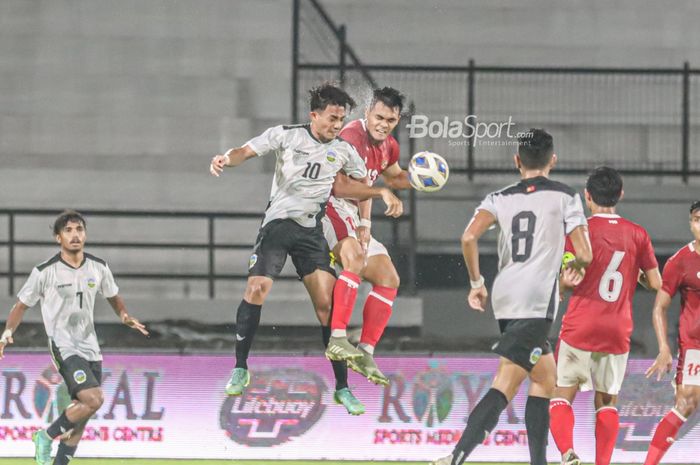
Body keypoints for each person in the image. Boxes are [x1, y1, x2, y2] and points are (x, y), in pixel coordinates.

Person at [208, 83, 403, 406]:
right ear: (314, 115)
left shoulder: (343, 151)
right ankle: (240, 368)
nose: (337, 126)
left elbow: (361, 185)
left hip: (310, 230)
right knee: (257, 288)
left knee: (326, 308)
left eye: (341, 119)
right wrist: (224, 159)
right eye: (331, 118)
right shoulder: (287, 135)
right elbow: (244, 150)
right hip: (278, 225)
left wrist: (371, 212)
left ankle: (342, 387)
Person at [431, 129, 592, 465]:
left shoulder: (498, 197)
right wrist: (569, 270)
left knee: (545, 379)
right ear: (553, 161)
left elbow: (468, 238)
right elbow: (586, 254)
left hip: (505, 296)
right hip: (536, 298)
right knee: (507, 380)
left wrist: (476, 282)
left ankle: (538, 462)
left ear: (517, 161)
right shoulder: (566, 196)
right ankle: (456, 456)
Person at [0, 210, 149, 465]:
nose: (75, 235)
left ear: (85, 234)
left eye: (79, 229)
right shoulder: (45, 271)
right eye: (68, 231)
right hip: (63, 344)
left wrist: (124, 315)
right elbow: (21, 305)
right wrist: (7, 333)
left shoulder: (98, 267)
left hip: (91, 347)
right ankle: (45, 437)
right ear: (58, 238)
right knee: (95, 398)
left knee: (82, 416)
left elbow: (113, 295)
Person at [549, 167, 661, 465]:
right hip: (617, 329)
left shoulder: (578, 232)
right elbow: (656, 284)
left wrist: (562, 285)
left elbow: (566, 275)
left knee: (562, 395)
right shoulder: (638, 234)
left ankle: (567, 453)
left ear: (587, 197)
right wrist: (633, 272)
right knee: (607, 400)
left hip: (581, 324)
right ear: (620, 194)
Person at [322, 87, 414, 397]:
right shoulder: (351, 137)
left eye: (390, 119)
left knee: (389, 277)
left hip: (355, 214)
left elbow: (395, 177)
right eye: (379, 117)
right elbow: (340, 185)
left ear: (397, 119)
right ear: (366, 114)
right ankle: (337, 338)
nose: (384, 123)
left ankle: (365, 351)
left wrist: (424, 176)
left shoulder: (388, 146)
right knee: (356, 261)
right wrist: (378, 197)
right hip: (330, 207)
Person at [642, 200, 700, 465]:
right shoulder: (680, 262)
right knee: (686, 403)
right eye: (697, 219)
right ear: (690, 224)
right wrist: (664, 348)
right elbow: (659, 307)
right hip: (694, 346)